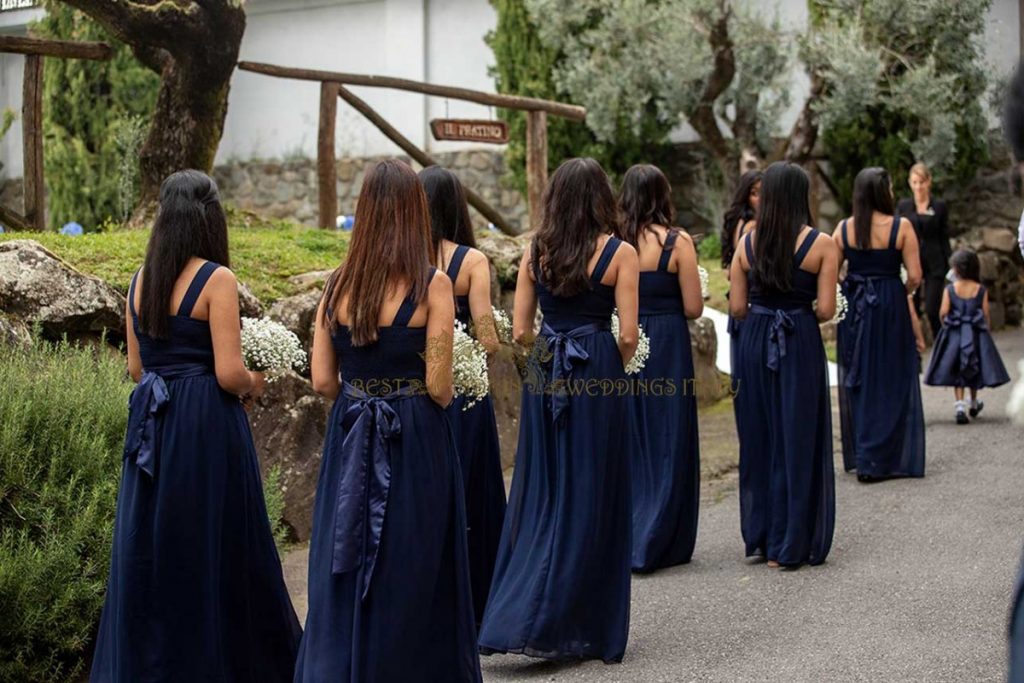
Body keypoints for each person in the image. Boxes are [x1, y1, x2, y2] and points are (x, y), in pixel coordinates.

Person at [90, 170, 301, 682]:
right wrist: (257, 379)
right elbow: (228, 373)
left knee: (155, 542)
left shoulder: (140, 281)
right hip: (205, 423)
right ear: (210, 217)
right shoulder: (216, 280)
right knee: (216, 540)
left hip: (154, 423)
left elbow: (137, 369)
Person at [296, 160, 482, 682]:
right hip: (414, 433)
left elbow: (322, 380)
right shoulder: (434, 286)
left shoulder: (336, 286)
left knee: (348, 556)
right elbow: (440, 384)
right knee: (415, 558)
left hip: (351, 430)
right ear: (413, 212)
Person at [478, 158, 639, 662]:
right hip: (597, 367)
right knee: (594, 486)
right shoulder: (621, 253)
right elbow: (629, 335)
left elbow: (520, 330)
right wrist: (603, 361)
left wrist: (550, 353)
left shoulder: (537, 251)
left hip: (546, 368)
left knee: (544, 486)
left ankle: (521, 611)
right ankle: (581, 622)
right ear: (601, 198)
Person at [729, 161, 837, 569]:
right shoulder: (822, 245)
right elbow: (825, 309)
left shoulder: (747, 244)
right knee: (798, 434)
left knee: (759, 434)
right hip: (798, 338)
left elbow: (737, 307)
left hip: (755, 342)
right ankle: (790, 542)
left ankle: (760, 537)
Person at [419, 165, 506, 626]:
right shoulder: (471, 262)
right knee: (474, 495)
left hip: (417, 392)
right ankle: (480, 603)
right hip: (465, 393)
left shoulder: (404, 259)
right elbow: (488, 339)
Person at [616, 164, 703, 572]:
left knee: (633, 431)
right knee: (670, 429)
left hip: (626, 336)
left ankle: (631, 532)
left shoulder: (615, 242)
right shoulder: (676, 242)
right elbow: (694, 307)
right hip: (667, 341)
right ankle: (662, 535)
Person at [835, 167, 926, 481]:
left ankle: (865, 454)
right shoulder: (901, 227)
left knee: (859, 375)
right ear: (882, 192)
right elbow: (915, 276)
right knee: (892, 374)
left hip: (856, 306)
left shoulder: (844, 228)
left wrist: (850, 284)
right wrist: (900, 292)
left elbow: (831, 271)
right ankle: (887, 455)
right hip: (890, 304)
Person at [923, 248, 1010, 423]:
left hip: (955, 334)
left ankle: (959, 405)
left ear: (957, 269)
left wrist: (946, 324)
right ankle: (974, 402)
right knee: (973, 366)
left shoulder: (950, 289)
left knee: (957, 367)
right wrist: (985, 330)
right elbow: (985, 313)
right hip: (975, 333)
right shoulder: (980, 289)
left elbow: (943, 312)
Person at [896, 162, 951, 337]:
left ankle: (941, 342)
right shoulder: (904, 206)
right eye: (915, 182)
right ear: (910, 183)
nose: (918, 187)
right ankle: (915, 343)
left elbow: (944, 236)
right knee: (911, 307)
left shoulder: (939, 206)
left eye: (922, 182)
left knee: (932, 308)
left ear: (929, 182)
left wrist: (948, 263)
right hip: (911, 261)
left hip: (935, 262)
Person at [721, 170, 763, 371]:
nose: (760, 199)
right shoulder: (752, 227)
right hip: (748, 300)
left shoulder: (737, 222)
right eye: (754, 193)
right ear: (746, 196)